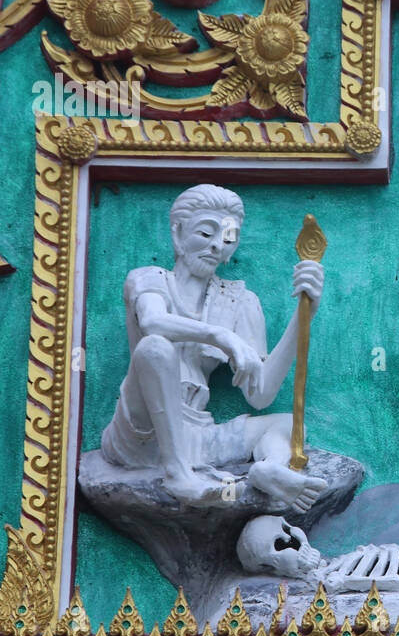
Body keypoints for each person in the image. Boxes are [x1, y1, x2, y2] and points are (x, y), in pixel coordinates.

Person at [100, 184, 329, 508]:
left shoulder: (239, 301)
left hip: (197, 435)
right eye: (205, 233)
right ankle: (177, 475)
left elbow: (260, 394)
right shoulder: (149, 279)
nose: (216, 246)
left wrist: (304, 316)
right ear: (178, 234)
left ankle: (270, 470)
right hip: (140, 432)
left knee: (288, 424)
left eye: (228, 238)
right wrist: (220, 336)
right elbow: (153, 322)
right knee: (155, 348)